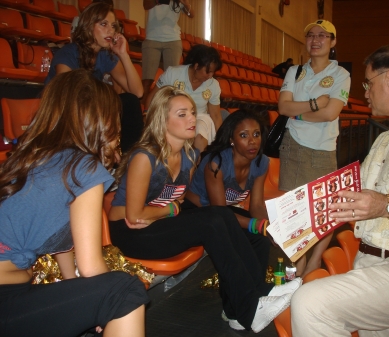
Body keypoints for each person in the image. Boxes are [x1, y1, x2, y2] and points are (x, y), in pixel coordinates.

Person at [108, 86, 301, 333]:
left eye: (191, 112)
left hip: (158, 226)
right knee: (211, 222)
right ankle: (251, 307)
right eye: (182, 114)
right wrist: (172, 209)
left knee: (222, 217)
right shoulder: (144, 158)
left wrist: (175, 210)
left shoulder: (189, 156)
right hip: (130, 234)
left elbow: (182, 203)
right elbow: (134, 217)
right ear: (162, 120)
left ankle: (251, 301)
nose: (192, 119)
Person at [291, 44, 389, 337]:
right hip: (369, 265)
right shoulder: (385, 139)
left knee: (310, 304)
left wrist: (386, 205)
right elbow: (348, 202)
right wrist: (302, 236)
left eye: (368, 83)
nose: (365, 92)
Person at [0, 69, 149, 337]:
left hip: (13, 293)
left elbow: (60, 237)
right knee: (124, 290)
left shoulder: (37, 157)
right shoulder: (84, 168)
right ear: (101, 119)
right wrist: (102, 300)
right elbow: (92, 268)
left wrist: (79, 292)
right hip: (6, 300)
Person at [278, 19, 351, 278]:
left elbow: (330, 113)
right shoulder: (295, 71)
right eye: (311, 35)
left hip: (322, 150)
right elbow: (283, 108)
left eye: (323, 35)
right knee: (293, 214)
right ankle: (298, 264)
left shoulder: (341, 74)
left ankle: (313, 262)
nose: (316, 40)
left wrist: (299, 112)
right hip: (293, 147)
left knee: (323, 210)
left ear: (333, 42)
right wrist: (314, 103)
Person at [185, 109, 272, 282]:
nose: (252, 141)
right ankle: (236, 303)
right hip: (195, 210)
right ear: (232, 140)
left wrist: (268, 227)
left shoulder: (261, 162)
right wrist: (257, 225)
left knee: (261, 241)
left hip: (222, 211)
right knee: (236, 240)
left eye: (256, 134)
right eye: (244, 135)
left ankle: (258, 294)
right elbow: (221, 212)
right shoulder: (216, 163)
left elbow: (256, 205)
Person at [47, 2, 144, 154]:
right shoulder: (68, 54)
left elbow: (137, 92)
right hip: (62, 112)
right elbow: (67, 97)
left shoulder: (104, 55)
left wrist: (123, 54)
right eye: (103, 24)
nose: (110, 31)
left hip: (91, 111)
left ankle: (130, 161)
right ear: (88, 25)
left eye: (113, 26)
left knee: (129, 102)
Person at [144, 44, 223, 152]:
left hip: (199, 117)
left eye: (213, 72)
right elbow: (154, 96)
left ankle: (197, 164)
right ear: (196, 66)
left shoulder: (213, 85)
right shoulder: (173, 73)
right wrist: (146, 114)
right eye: (208, 71)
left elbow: (216, 115)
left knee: (199, 137)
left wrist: (222, 140)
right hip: (173, 115)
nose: (210, 75)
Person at [141, 0, 194, 104]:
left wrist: (186, 4)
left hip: (173, 39)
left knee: (172, 81)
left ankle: (167, 109)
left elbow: (191, 14)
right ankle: (142, 112)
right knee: (147, 80)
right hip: (152, 38)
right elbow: (145, 5)